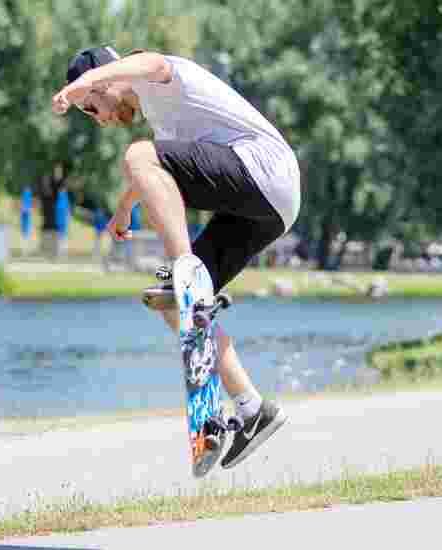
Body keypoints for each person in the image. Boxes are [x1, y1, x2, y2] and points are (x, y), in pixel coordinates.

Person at [52, 46, 301, 469]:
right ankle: (251, 409)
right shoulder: (162, 119)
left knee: (137, 154)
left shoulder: (151, 75)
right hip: (270, 208)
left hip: (264, 170)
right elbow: (159, 171)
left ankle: (187, 269)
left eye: (93, 107)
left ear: (105, 80)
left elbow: (152, 64)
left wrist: (80, 85)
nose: (101, 118)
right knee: (171, 302)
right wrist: (125, 206)